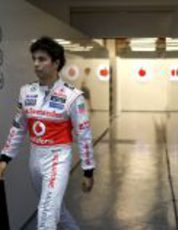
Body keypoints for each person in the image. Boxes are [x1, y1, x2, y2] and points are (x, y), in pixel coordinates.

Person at [0, 36, 95, 230]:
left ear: (56, 63)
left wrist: (88, 170)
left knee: (46, 214)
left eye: (42, 59)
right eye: (34, 58)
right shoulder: (26, 91)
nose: (36, 64)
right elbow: (18, 127)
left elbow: (84, 135)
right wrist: (5, 157)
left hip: (58, 157)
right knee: (57, 210)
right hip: (35, 158)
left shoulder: (73, 96)